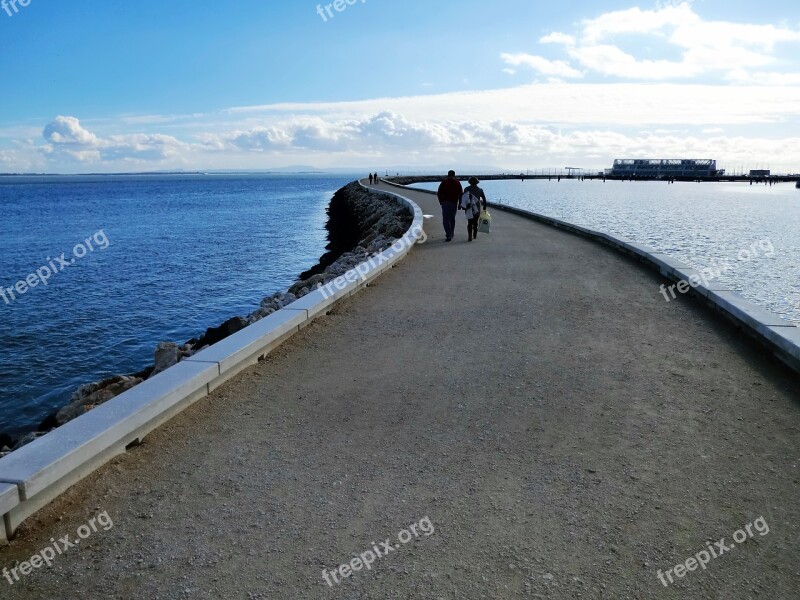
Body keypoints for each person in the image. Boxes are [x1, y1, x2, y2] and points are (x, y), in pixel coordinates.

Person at [437, 170, 463, 242]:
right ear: (454, 175)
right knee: (452, 218)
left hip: (445, 202)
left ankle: (448, 235)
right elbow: (461, 194)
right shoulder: (457, 183)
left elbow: (439, 193)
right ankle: (451, 233)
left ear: (448, 175)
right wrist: (460, 203)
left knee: (446, 219)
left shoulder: (443, 182)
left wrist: (441, 202)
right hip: (454, 203)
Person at [460, 177, 487, 241]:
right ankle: (474, 235)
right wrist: (484, 208)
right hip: (477, 208)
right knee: (475, 222)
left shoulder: (466, 189)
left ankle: (469, 236)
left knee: (469, 222)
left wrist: (462, 206)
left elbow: (464, 198)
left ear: (469, 182)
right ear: (477, 182)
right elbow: (484, 200)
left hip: (469, 208)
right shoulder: (480, 190)